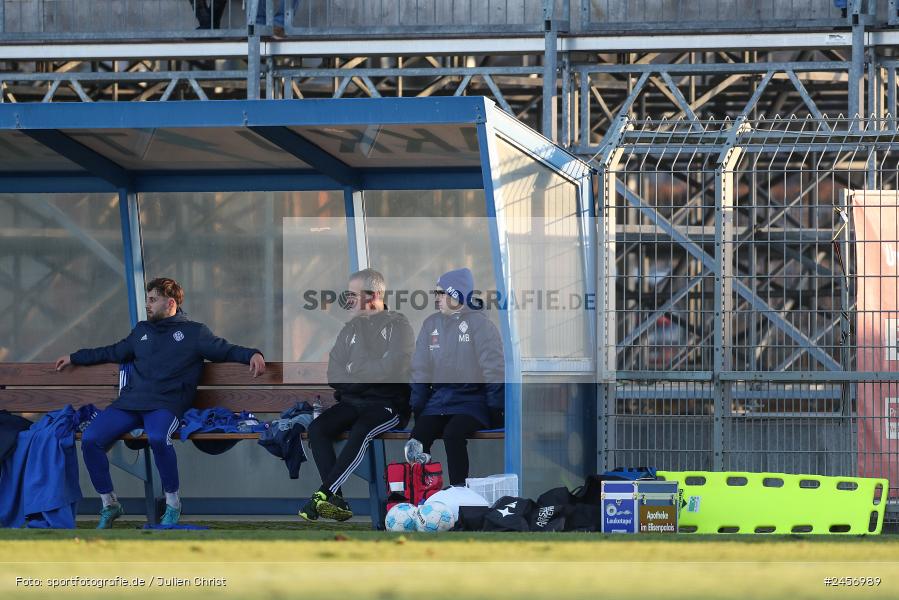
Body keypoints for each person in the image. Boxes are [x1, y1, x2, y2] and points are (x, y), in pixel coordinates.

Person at [55, 278, 265, 528]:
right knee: (91, 439)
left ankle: (173, 503)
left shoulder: (195, 333)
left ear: (171, 303)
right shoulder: (141, 331)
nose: (148, 305)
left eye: (153, 300)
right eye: (148, 300)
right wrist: (75, 357)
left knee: (157, 437)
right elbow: (112, 352)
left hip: (167, 404)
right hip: (130, 403)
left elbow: (226, 350)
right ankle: (109, 504)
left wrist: (253, 354)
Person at [299, 268, 414, 522]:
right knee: (318, 429)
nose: (347, 300)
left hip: (388, 405)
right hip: (353, 401)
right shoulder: (350, 328)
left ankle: (323, 494)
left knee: (362, 430)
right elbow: (334, 374)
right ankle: (336, 500)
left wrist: (355, 372)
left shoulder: (399, 326)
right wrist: (364, 377)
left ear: (372, 296)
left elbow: (391, 369)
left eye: (353, 295)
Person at [406, 268, 504, 486]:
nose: (437, 298)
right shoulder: (431, 324)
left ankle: (458, 493)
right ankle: (422, 495)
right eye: (436, 293)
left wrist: (495, 410)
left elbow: (494, 369)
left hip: (472, 403)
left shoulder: (480, 324)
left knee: (453, 434)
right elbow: (420, 369)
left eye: (441, 293)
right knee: (417, 439)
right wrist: (419, 408)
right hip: (439, 403)